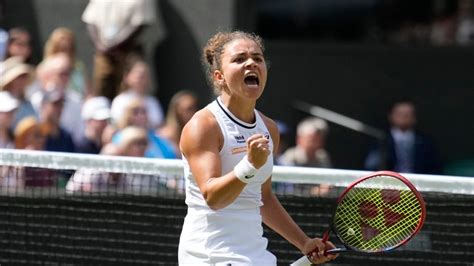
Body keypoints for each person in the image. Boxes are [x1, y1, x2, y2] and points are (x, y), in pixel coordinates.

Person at [178, 31, 337, 265]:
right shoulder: (203, 125)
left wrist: (303, 242)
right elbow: (213, 197)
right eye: (239, 59)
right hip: (211, 256)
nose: (251, 62)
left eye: (257, 58)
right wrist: (250, 164)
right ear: (219, 76)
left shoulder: (269, 128)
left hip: (256, 256)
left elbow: (263, 198)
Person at [82, 0, 157, 100]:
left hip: (129, 54)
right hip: (103, 54)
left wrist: (115, 45)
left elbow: (140, 24)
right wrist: (99, 45)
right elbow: (90, 20)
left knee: (129, 94)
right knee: (101, 93)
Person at [364, 99, 441, 174]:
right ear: (391, 116)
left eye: (407, 114)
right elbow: (371, 166)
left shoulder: (425, 142)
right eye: (400, 114)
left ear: (414, 118)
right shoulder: (380, 139)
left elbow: (434, 168)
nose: (404, 117)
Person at [110, 57, 164, 129]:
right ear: (127, 77)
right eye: (139, 76)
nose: (142, 80)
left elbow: (159, 125)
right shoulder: (120, 100)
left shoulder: (153, 102)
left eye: (145, 76)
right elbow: (116, 124)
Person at [43, 27, 90, 98]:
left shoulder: (79, 66)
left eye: (68, 48)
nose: (65, 43)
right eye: (61, 49)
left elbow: (88, 91)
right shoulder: (45, 67)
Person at [157, 90, 199, 156]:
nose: (194, 112)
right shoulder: (164, 136)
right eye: (189, 109)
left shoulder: (197, 133)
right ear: (177, 111)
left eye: (195, 107)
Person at [0, 56, 37, 129]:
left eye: (25, 76)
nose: (23, 80)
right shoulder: (1, 101)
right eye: (19, 76)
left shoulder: (29, 104)